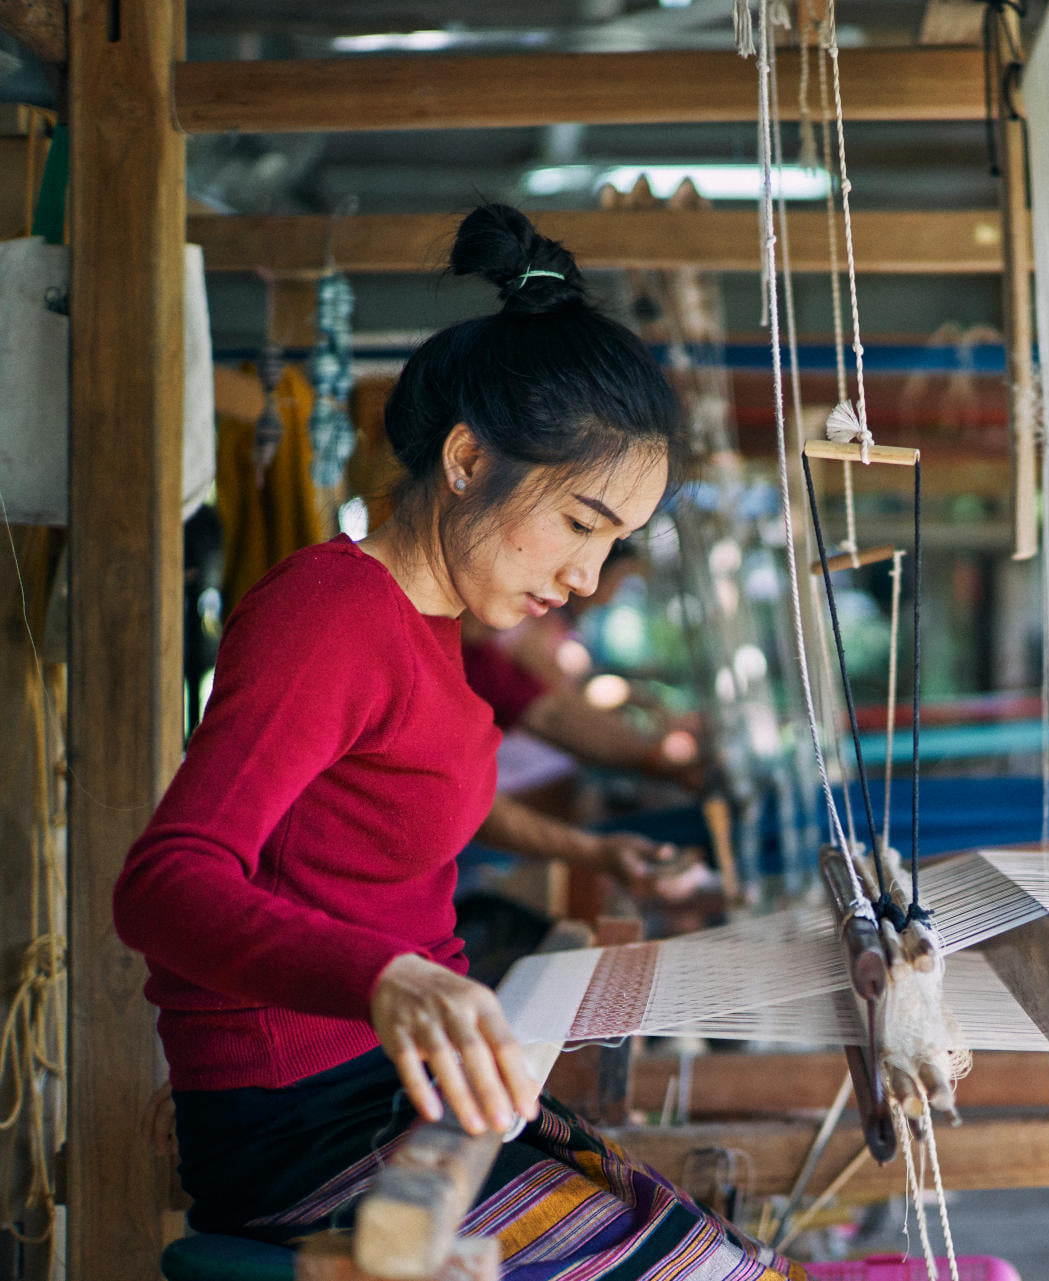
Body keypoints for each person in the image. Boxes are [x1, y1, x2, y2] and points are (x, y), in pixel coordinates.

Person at [114, 204, 801, 1279]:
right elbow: (163, 885)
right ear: (470, 457)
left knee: (730, 1262)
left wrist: (588, 857)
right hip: (311, 1127)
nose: (587, 577)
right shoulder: (328, 616)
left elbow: (397, 804)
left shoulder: (436, 628)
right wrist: (388, 976)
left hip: (407, 1090)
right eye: (580, 524)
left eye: (613, 543)